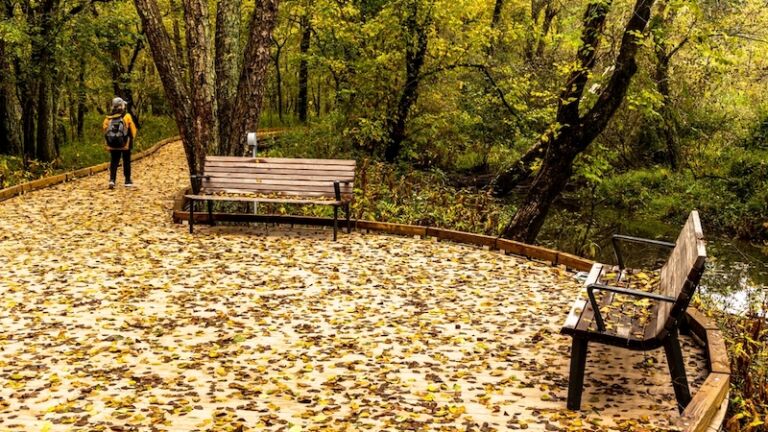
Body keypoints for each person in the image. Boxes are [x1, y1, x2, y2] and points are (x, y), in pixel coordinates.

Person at [103, 97, 138, 188]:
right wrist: (131, 139)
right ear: (121, 106)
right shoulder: (127, 116)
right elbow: (133, 130)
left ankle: (112, 180)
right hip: (125, 143)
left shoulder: (108, 118)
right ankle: (127, 180)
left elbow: (105, 130)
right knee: (126, 160)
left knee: (114, 161)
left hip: (113, 144)